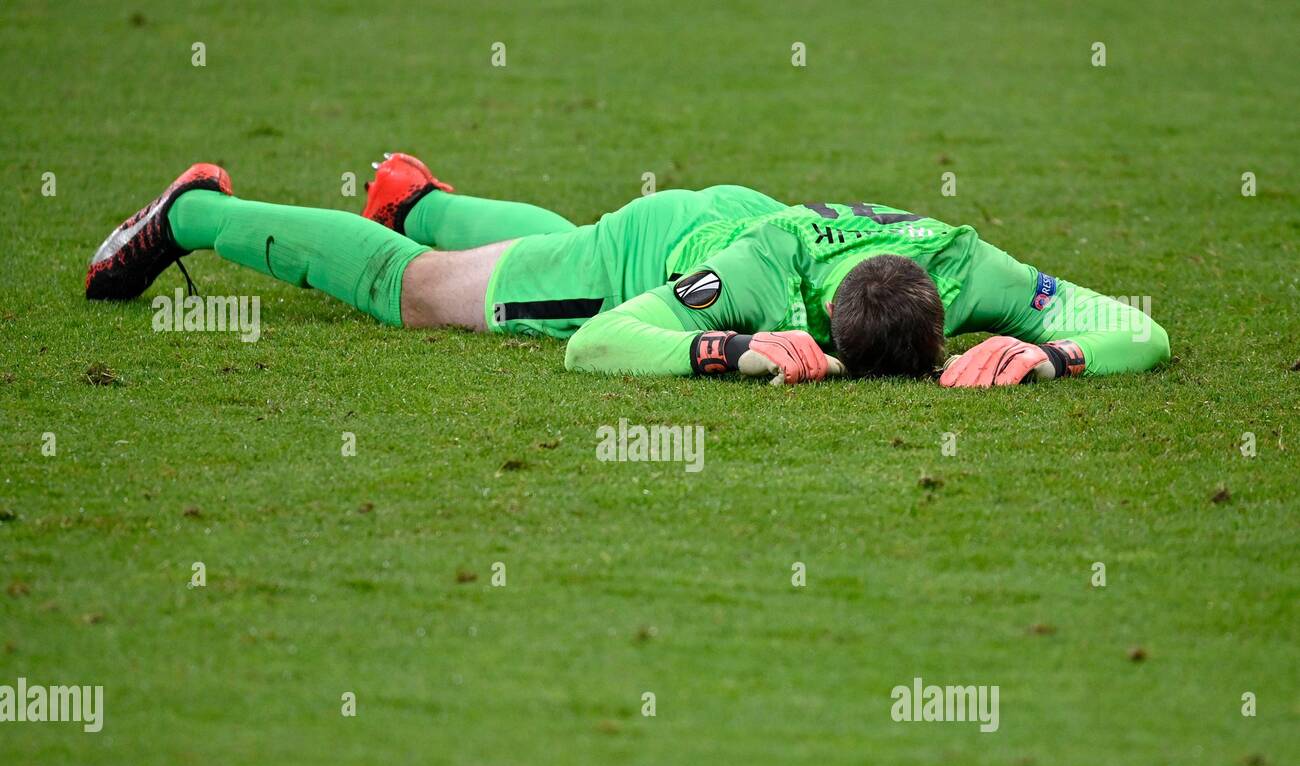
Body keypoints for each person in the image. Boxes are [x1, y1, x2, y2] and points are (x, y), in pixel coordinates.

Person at [86, 153, 1170, 387]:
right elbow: (603, 343)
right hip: (659, 252)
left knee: (525, 242)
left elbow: (1143, 328)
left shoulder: (969, 263)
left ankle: (418, 200)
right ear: (820, 327)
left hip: (734, 210)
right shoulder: (754, 284)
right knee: (424, 296)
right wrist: (730, 349)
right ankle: (198, 214)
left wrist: (1052, 353)